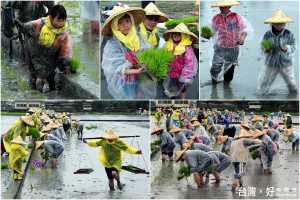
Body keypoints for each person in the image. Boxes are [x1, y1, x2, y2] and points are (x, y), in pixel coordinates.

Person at [101, 6, 156, 99]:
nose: (125, 25)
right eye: (120, 22)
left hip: (141, 75)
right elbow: (118, 68)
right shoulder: (113, 43)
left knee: (140, 91)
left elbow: (147, 49)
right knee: (130, 96)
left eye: (127, 20)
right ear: (115, 25)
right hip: (127, 79)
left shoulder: (137, 36)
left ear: (131, 21)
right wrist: (136, 71)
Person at [14, 4, 71, 92]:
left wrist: (66, 63)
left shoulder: (63, 33)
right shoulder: (41, 23)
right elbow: (28, 26)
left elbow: (66, 49)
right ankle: (37, 94)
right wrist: (21, 25)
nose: (61, 23)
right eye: (59, 20)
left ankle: (52, 90)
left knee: (50, 75)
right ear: (51, 18)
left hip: (51, 57)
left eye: (64, 20)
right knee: (38, 75)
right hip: (36, 54)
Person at [203, 0, 253, 84]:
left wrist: (242, 38)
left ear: (230, 6)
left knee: (229, 69)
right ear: (219, 7)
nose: (223, 8)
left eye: (225, 6)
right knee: (215, 67)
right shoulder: (216, 18)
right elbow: (212, 31)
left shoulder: (236, 16)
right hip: (220, 47)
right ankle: (213, 85)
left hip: (233, 47)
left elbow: (244, 29)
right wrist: (207, 35)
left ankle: (226, 90)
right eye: (221, 7)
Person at [257, 9, 297, 94]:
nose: (279, 26)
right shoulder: (267, 34)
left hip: (285, 62)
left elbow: (294, 46)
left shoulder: (289, 34)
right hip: (271, 62)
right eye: (276, 24)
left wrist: (287, 48)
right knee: (265, 81)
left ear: (284, 23)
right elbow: (261, 46)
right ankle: (262, 97)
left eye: (281, 24)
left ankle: (294, 97)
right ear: (272, 23)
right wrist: (267, 49)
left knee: (291, 83)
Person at [163, 23, 198, 99]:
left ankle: (183, 98)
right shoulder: (168, 45)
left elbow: (189, 62)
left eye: (179, 34)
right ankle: (174, 92)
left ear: (184, 37)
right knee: (174, 82)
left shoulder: (186, 48)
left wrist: (186, 74)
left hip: (182, 71)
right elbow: (164, 57)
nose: (175, 36)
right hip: (172, 70)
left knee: (182, 85)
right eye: (174, 34)